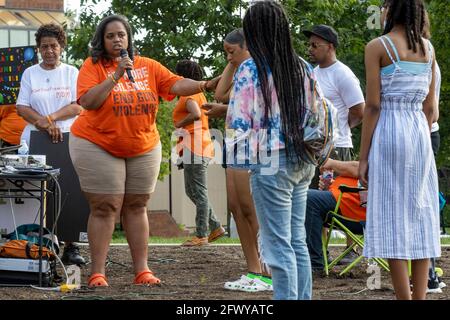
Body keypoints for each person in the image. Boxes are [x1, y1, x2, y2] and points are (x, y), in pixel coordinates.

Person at [69, 15, 218, 287]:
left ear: (129, 39)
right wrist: (115, 75)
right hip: (97, 143)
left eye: (121, 35)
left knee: (137, 206)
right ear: (102, 40)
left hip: (142, 144)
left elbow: (175, 84)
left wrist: (204, 85)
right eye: (111, 35)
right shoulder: (93, 67)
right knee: (106, 206)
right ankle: (98, 273)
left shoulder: (147, 66)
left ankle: (142, 271)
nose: (117, 39)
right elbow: (88, 102)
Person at [226, 1, 316, 299]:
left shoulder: (250, 68)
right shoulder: (301, 65)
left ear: (253, 31)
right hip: (302, 158)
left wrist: (240, 164)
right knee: (296, 241)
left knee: (277, 246)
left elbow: (239, 122)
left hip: (269, 160)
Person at [359, 0, 440, 300]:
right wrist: (416, 126)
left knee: (392, 216)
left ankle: (403, 298)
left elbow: (373, 105)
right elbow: (430, 108)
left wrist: (363, 157)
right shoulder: (428, 50)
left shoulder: (377, 46)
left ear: (392, 10)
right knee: (421, 214)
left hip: (390, 131)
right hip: (418, 132)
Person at [203, 28, 272, 292]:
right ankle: (253, 269)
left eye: (232, 51)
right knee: (235, 206)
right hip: (234, 140)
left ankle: (267, 271)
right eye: (226, 52)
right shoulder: (241, 68)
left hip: (255, 141)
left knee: (251, 206)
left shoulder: (261, 68)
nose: (228, 57)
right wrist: (231, 60)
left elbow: (252, 104)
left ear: (249, 46)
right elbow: (220, 94)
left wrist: (225, 109)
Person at [15, 23, 85, 266]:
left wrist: (51, 119)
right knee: (37, 193)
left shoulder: (72, 72)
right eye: (44, 46)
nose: (49, 51)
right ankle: (39, 244)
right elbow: (22, 107)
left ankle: (71, 246)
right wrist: (43, 125)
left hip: (67, 137)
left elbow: (78, 105)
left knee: (68, 191)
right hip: (35, 138)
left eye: (54, 46)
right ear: (38, 49)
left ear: (61, 47)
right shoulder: (30, 74)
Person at [172, 59, 225, 247]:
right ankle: (216, 226)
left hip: (195, 146)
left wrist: (178, 124)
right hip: (195, 145)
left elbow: (195, 114)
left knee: (198, 192)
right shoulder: (199, 93)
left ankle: (202, 234)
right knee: (192, 190)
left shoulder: (189, 96)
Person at [303, 24, 365, 162]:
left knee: (335, 184)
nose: (310, 49)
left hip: (337, 147)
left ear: (330, 46)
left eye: (314, 45)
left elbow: (359, 112)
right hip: (313, 147)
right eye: (309, 45)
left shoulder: (343, 74)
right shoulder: (312, 73)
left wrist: (340, 125)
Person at [305, 159, 365, 272]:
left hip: (356, 214)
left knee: (309, 199)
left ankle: (315, 263)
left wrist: (331, 162)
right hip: (345, 203)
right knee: (312, 198)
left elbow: (361, 169)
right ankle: (319, 258)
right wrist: (331, 186)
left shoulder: (384, 158)